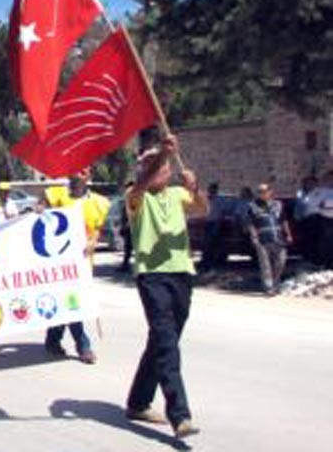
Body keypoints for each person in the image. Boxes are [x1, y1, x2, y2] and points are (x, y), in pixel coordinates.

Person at [124, 135, 207, 439]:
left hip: (182, 273)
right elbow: (141, 186)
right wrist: (162, 155)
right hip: (152, 275)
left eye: (163, 166)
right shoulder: (136, 196)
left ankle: (137, 402)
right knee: (167, 344)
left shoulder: (176, 194)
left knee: (161, 343)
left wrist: (194, 188)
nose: (159, 170)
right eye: (151, 166)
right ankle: (180, 415)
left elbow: (201, 209)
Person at [43, 167, 110, 364]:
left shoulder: (99, 202)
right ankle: (83, 345)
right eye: (77, 169)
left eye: (86, 169)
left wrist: (92, 243)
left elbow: (97, 229)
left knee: (69, 301)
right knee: (73, 303)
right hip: (61, 261)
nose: (81, 172)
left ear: (90, 175)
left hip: (82, 261)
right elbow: (42, 217)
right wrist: (42, 208)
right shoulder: (57, 196)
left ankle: (53, 338)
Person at [245, 183, 292, 295]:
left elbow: (284, 220)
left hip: (278, 237)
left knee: (281, 261)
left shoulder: (278, 205)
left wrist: (289, 234)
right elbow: (250, 223)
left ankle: (276, 283)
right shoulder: (253, 206)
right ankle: (268, 287)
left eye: (264, 191)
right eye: (259, 191)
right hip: (262, 239)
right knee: (265, 264)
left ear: (270, 192)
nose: (262, 193)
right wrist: (254, 236)